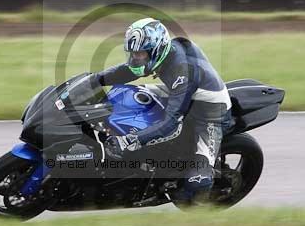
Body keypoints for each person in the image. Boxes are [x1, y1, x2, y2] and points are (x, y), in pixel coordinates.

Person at [94, 17, 232, 203]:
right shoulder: (161, 57)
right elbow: (126, 71)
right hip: (180, 93)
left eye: (140, 54)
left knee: (198, 180)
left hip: (210, 113)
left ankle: (203, 208)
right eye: (133, 53)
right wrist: (95, 80)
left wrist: (129, 141)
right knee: (125, 94)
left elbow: (171, 123)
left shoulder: (182, 72)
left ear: (156, 49)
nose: (135, 58)